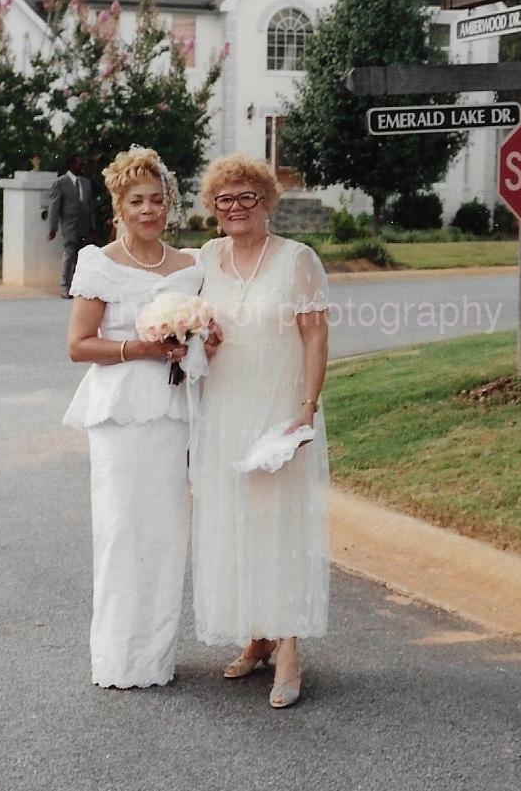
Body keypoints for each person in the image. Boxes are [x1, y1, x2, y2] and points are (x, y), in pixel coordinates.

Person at [63, 146, 206, 689]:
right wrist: (140, 350)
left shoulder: (191, 268)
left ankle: (156, 658)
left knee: (168, 531)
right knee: (123, 532)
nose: (148, 210)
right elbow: (78, 345)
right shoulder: (98, 263)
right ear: (118, 209)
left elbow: (204, 340)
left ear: (168, 203)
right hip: (121, 414)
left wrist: (199, 338)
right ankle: (119, 659)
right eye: (136, 201)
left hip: (172, 412)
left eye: (156, 200)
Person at [191, 154, 331, 709]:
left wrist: (307, 405)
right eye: (225, 200)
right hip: (225, 405)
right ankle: (255, 635)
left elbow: (316, 336)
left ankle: (290, 648)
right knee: (235, 521)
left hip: (278, 406)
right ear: (213, 209)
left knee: (278, 525)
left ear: (267, 201)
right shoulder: (204, 257)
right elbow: (196, 328)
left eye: (248, 196)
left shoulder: (298, 259)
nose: (236, 208)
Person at [48, 155, 95, 298]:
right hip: (69, 225)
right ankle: (64, 286)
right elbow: (54, 206)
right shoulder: (60, 183)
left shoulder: (86, 183)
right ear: (71, 165)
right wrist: (53, 227)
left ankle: (77, 286)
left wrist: (92, 224)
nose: (81, 165)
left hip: (84, 226)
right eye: (78, 163)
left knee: (81, 257)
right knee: (69, 254)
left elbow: (90, 206)